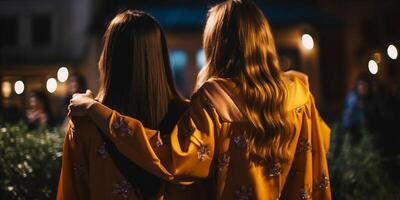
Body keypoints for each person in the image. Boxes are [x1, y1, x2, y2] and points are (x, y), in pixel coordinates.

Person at [69, 0, 331, 199]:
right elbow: (320, 153)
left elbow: (174, 160)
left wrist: (99, 112)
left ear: (218, 45)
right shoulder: (299, 94)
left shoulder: (214, 100)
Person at [57, 10, 188, 200]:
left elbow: (72, 193)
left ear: (108, 60)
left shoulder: (86, 125)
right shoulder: (187, 120)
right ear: (160, 60)